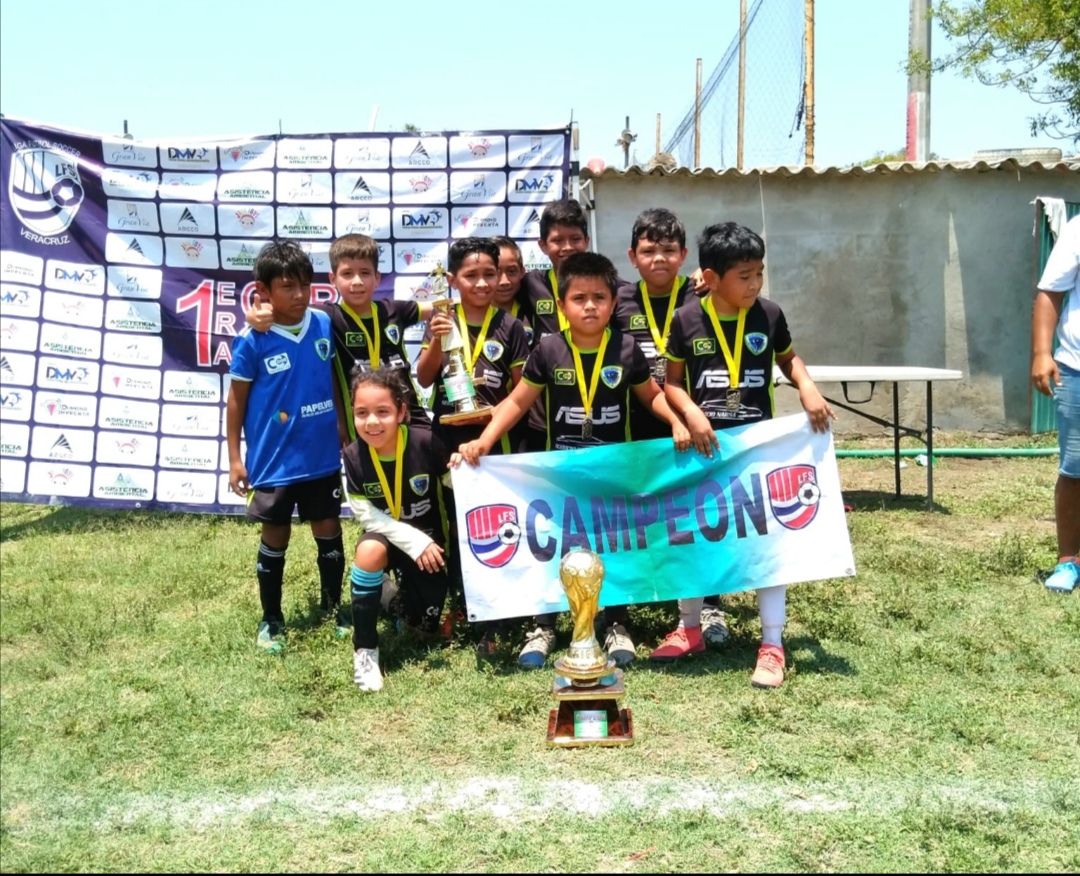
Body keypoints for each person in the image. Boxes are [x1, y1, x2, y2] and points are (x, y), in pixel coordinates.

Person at [452, 251, 692, 669]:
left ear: (613, 303)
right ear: (562, 306)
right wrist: (485, 441)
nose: (590, 306)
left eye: (599, 298)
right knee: (554, 546)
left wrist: (676, 421)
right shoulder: (548, 349)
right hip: (560, 474)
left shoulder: (626, 348)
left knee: (610, 547)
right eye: (579, 298)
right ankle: (544, 626)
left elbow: (651, 395)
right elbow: (517, 401)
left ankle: (616, 624)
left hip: (612, 472)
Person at [651, 222, 835, 689]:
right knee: (693, 538)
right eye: (745, 276)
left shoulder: (769, 314)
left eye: (759, 274)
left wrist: (807, 387)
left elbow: (788, 359)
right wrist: (691, 414)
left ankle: (772, 643)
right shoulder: (686, 319)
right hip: (706, 451)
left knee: (767, 543)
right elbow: (672, 383)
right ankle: (689, 628)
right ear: (711, 278)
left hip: (758, 451)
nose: (755, 284)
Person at [614, 207, 731, 646]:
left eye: (668, 249)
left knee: (701, 514)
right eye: (648, 251)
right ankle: (633, 603)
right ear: (632, 256)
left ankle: (711, 603)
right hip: (637, 425)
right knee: (641, 516)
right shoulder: (618, 299)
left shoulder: (702, 292)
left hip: (695, 419)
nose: (658, 258)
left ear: (684, 255)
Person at [226, 240, 347, 654]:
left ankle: (333, 608)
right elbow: (236, 401)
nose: (298, 295)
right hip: (274, 461)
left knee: (329, 529)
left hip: (321, 455)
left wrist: (342, 426)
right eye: (287, 287)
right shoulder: (252, 339)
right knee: (275, 534)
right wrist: (235, 458)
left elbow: (333, 380)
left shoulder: (323, 323)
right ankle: (272, 619)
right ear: (263, 290)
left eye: (304, 286)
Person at [247, 233, 433, 439]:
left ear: (377, 278)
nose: (357, 281)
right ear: (333, 279)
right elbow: (287, 310)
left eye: (365, 273)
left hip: (411, 420)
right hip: (365, 427)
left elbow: (438, 307)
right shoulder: (327, 317)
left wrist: (448, 309)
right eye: (347, 274)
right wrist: (257, 313)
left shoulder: (394, 310)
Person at [341, 367, 454, 691]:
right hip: (394, 541)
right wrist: (413, 541)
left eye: (383, 412)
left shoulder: (426, 442)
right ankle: (365, 650)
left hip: (432, 549)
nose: (372, 422)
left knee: (422, 629)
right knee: (368, 550)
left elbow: (455, 493)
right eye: (362, 413)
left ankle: (389, 597)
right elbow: (368, 518)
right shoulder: (352, 457)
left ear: (402, 412)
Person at [1032, 213, 1080, 593]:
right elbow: (1050, 292)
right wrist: (1041, 353)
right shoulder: (1078, 229)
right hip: (1077, 369)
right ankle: (1068, 561)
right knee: (1075, 468)